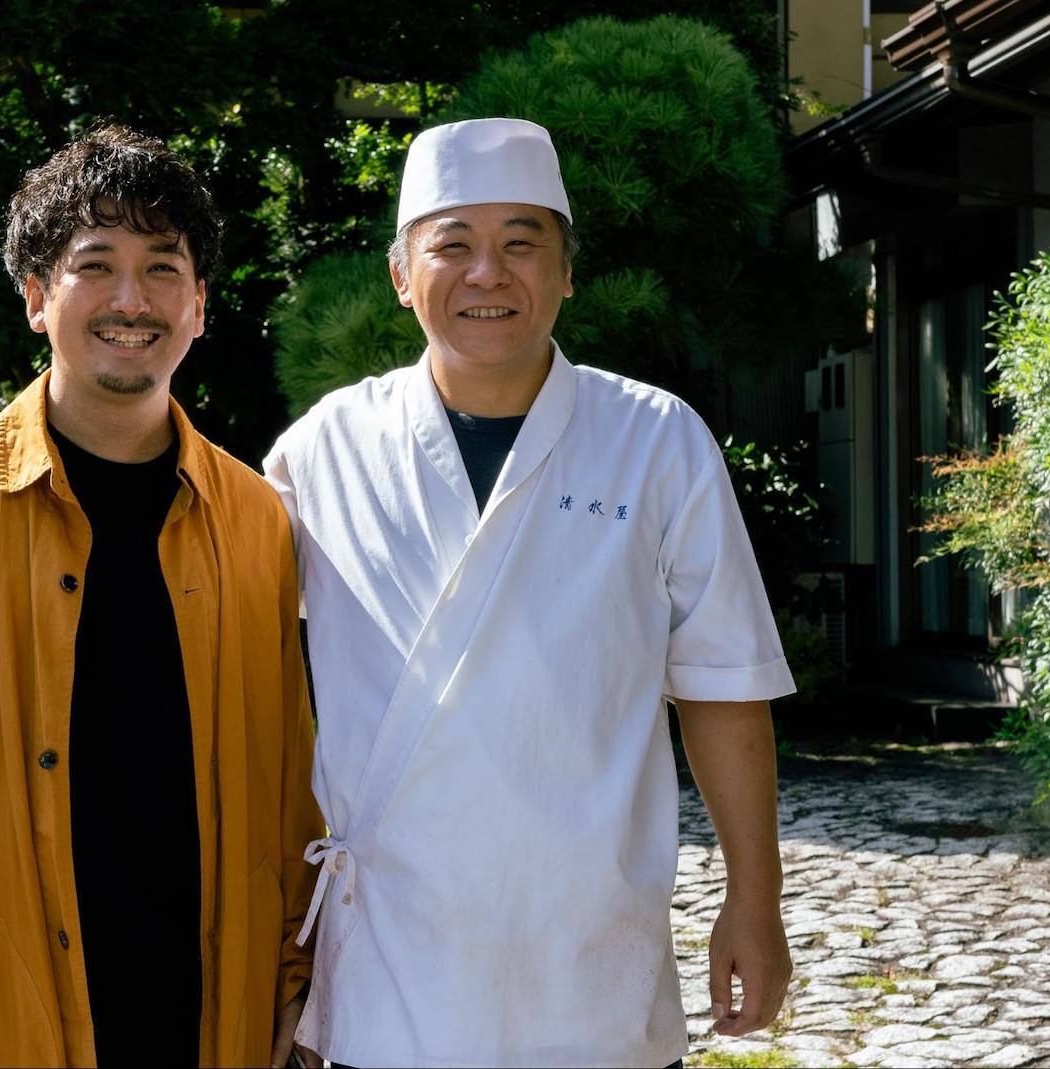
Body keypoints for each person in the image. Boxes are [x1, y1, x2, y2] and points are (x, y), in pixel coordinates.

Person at [263, 117, 795, 1068]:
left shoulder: (656, 438)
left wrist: (754, 901)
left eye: (521, 243)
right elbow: (237, 668)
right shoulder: (323, 449)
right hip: (390, 965)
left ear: (567, 268)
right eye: (453, 245)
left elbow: (724, 683)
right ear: (400, 274)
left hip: (590, 958)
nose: (487, 274)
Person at [0, 124, 323, 1068]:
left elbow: (292, 796)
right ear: (38, 298)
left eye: (163, 267)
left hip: (217, 1026)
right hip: (4, 1030)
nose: (133, 300)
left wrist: (295, 989)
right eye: (97, 264)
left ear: (201, 305)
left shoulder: (255, 518)